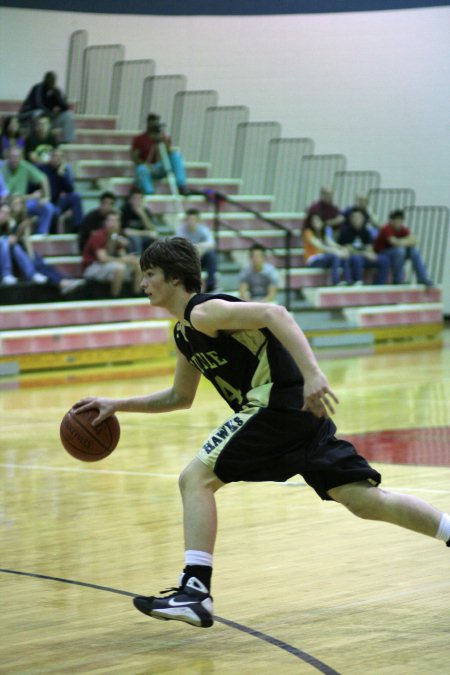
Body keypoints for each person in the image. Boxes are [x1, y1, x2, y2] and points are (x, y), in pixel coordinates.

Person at [73, 236, 450, 630]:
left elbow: (276, 313)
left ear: (175, 277)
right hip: (295, 417)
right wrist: (117, 404)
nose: (143, 283)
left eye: (149, 274)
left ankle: (195, 592)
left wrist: (314, 374)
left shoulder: (205, 311)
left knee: (194, 479)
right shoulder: (185, 333)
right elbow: (179, 396)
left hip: (276, 404)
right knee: (362, 499)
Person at [0, 196, 84, 294]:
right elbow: (11, 241)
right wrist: (20, 229)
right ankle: (58, 281)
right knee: (33, 261)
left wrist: (31, 255)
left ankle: (63, 280)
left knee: (41, 262)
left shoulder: (20, 220)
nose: (18, 206)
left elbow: (26, 241)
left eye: (20, 203)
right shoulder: (7, 222)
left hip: (20, 252)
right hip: (13, 255)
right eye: (15, 204)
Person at [82, 210, 142, 297]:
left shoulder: (115, 236)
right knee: (119, 268)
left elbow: (123, 255)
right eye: (111, 220)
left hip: (108, 264)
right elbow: (102, 259)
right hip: (92, 266)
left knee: (138, 266)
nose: (114, 223)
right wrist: (124, 260)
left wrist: (131, 259)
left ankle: (136, 296)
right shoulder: (98, 235)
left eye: (117, 220)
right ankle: (115, 298)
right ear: (105, 222)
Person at [0, 147, 57, 235]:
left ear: (21, 158)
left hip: (24, 202)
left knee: (47, 207)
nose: (14, 160)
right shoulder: (2, 167)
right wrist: (31, 196)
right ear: (8, 158)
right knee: (13, 207)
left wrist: (47, 197)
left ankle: (41, 235)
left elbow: (43, 178)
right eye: (12, 157)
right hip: (7, 203)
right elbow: (6, 195)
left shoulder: (24, 166)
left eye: (17, 157)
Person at [131, 113, 188, 195]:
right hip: (148, 167)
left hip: (162, 166)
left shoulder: (163, 137)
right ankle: (149, 192)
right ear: (148, 123)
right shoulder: (139, 139)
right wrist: (145, 165)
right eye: (152, 123)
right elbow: (135, 157)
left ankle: (181, 185)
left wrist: (162, 140)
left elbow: (168, 153)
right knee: (141, 169)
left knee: (176, 156)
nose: (154, 125)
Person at [374, 210, 434, 286]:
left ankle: (422, 277)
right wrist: (406, 241)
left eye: (400, 220)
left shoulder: (403, 229)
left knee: (414, 251)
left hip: (395, 252)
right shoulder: (387, 228)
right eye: (397, 220)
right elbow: (393, 242)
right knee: (400, 251)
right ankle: (398, 280)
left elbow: (415, 240)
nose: (399, 223)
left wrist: (402, 241)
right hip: (382, 252)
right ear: (392, 221)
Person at [19, 71, 75, 143]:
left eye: (52, 79)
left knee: (68, 115)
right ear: (44, 79)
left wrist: (57, 96)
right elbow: (38, 105)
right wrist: (51, 114)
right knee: (38, 112)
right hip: (31, 118)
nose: (50, 81)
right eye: (49, 79)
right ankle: (34, 139)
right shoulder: (38, 88)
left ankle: (68, 140)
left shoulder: (55, 90)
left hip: (48, 120)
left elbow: (65, 107)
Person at [338, 208, 389, 285]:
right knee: (357, 258)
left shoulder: (366, 232)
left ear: (363, 219)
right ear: (351, 219)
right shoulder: (345, 231)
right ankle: (358, 281)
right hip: (352, 257)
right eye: (354, 218)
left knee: (384, 259)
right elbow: (348, 249)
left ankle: (380, 284)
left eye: (359, 218)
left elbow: (370, 247)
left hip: (365, 257)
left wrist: (371, 254)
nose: (357, 220)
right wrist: (364, 253)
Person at [38, 148, 84, 232]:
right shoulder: (41, 168)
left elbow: (70, 190)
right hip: (44, 201)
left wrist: (62, 175)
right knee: (52, 210)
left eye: (59, 157)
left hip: (57, 202)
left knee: (76, 196)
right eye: (55, 156)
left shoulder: (62, 171)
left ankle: (79, 228)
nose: (56, 159)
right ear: (50, 157)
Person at [303, 213, 352, 285]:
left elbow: (332, 243)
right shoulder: (308, 232)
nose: (315, 223)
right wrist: (336, 252)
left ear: (322, 222)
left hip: (324, 258)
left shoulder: (323, 233)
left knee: (345, 256)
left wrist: (342, 249)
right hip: (313, 260)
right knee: (335, 256)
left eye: (318, 221)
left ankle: (348, 281)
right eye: (313, 221)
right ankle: (336, 282)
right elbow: (321, 246)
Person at [176, 208, 218, 292]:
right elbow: (178, 245)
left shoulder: (203, 230)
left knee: (212, 255)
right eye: (189, 219)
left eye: (194, 220)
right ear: (186, 220)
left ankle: (211, 284)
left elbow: (212, 244)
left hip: (201, 258)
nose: (191, 222)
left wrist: (200, 247)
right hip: (188, 259)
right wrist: (194, 249)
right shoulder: (181, 230)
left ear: (198, 220)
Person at [120, 187, 158, 255]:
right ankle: (138, 262)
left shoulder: (145, 211)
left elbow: (152, 230)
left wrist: (142, 215)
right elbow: (125, 231)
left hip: (142, 236)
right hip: (128, 238)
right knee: (136, 239)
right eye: (135, 198)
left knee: (154, 239)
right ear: (130, 200)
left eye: (140, 198)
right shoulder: (124, 210)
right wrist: (145, 233)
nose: (137, 201)